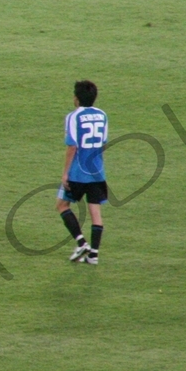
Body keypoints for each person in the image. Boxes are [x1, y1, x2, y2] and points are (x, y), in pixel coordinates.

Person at [57, 79, 109, 264]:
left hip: (78, 172)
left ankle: (81, 243)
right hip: (97, 172)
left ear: (76, 98)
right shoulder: (102, 115)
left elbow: (72, 146)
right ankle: (93, 255)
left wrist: (65, 173)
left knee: (62, 205)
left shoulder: (73, 117)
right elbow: (103, 142)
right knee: (95, 212)